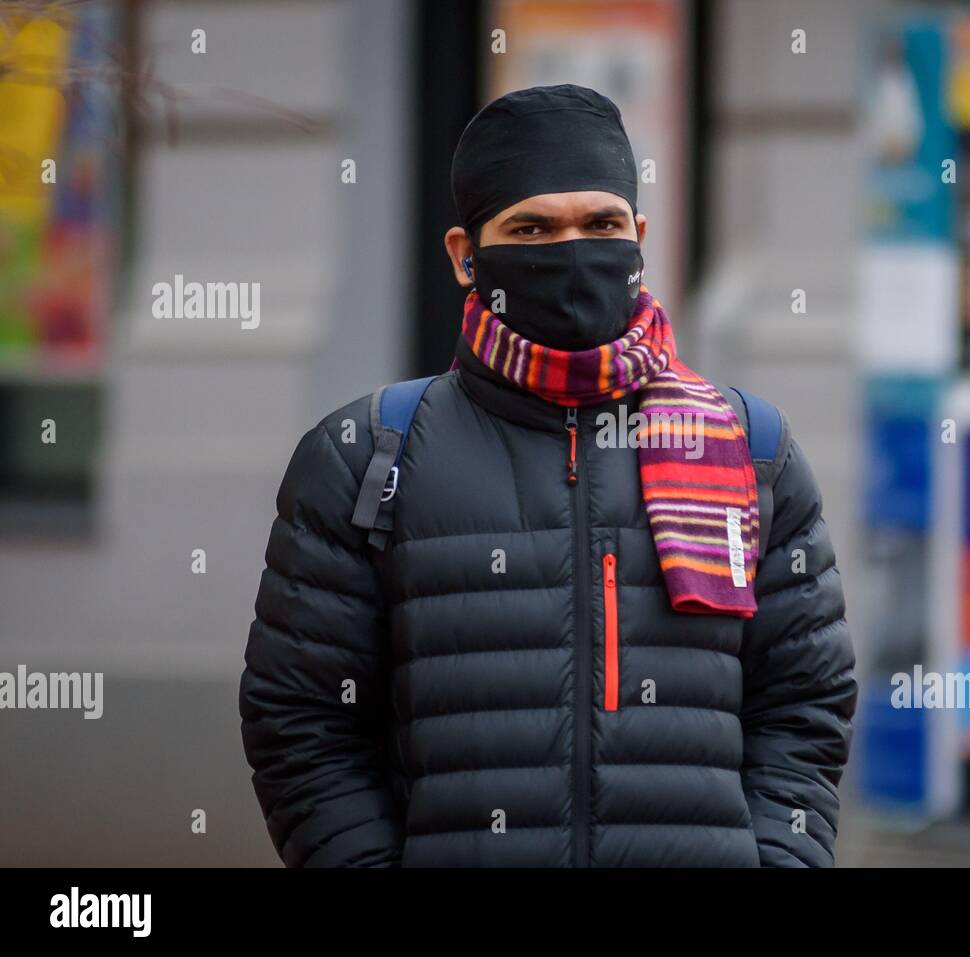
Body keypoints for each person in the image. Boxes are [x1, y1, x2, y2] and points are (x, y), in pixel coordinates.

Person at [239, 84, 857, 867]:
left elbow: (805, 706)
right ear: (467, 256)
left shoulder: (750, 449)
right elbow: (301, 718)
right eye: (531, 228)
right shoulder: (367, 456)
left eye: (599, 224)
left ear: (638, 236)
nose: (571, 250)